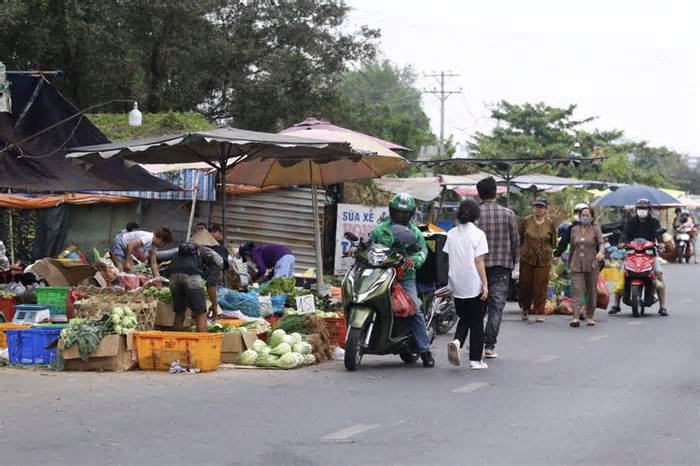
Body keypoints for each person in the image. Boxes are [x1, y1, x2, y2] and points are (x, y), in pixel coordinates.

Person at [370, 193, 434, 368]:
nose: (401, 216)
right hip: (379, 274)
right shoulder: (379, 230)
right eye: (398, 212)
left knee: (414, 308)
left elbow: (422, 252)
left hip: (404, 277)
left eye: (405, 213)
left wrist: (414, 260)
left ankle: (425, 350)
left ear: (411, 214)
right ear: (391, 211)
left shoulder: (415, 233)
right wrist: (357, 251)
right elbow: (368, 245)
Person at [476, 177, 519, 359]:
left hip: (477, 267)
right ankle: (489, 346)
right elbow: (515, 241)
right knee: (496, 308)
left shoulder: (474, 214)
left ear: (479, 193)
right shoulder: (508, 214)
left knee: (478, 308)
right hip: (502, 267)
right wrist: (514, 261)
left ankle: (475, 343)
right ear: (496, 192)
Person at [444, 199, 489, 370]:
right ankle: (476, 360)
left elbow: (448, 257)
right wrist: (485, 283)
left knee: (465, 317)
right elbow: (479, 260)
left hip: (456, 283)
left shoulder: (451, 233)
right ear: (476, 215)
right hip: (473, 283)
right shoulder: (479, 234)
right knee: (477, 322)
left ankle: (457, 341)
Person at [609, 198, 668, 316]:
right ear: (636, 210)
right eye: (640, 208)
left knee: (658, 274)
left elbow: (658, 233)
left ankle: (662, 306)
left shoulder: (654, 222)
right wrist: (621, 242)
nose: (642, 210)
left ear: (649, 210)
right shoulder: (630, 222)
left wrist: (660, 243)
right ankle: (616, 304)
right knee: (622, 274)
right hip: (632, 253)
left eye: (644, 208)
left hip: (650, 253)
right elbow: (625, 235)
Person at [168, 241, 223, 332]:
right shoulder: (216, 263)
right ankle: (202, 344)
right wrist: (214, 304)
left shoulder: (189, 252)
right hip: (191, 277)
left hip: (173, 277)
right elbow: (210, 284)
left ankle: (177, 341)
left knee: (179, 312)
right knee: (201, 313)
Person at [518, 197, 557, 322]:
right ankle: (525, 308)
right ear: (533, 208)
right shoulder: (525, 221)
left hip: (544, 260)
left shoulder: (550, 224)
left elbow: (553, 242)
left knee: (541, 285)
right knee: (525, 284)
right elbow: (520, 238)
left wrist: (552, 255)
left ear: (545, 209)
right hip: (527, 258)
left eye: (541, 207)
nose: (538, 209)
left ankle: (540, 311)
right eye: (536, 206)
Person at [568, 206, 605, 327]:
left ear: (592, 217)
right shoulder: (574, 230)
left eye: (587, 215)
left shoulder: (595, 229)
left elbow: (601, 243)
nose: (584, 217)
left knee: (591, 291)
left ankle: (590, 316)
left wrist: (601, 252)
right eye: (582, 215)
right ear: (579, 216)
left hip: (592, 264)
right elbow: (572, 248)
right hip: (576, 264)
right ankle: (576, 317)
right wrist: (569, 263)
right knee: (577, 290)